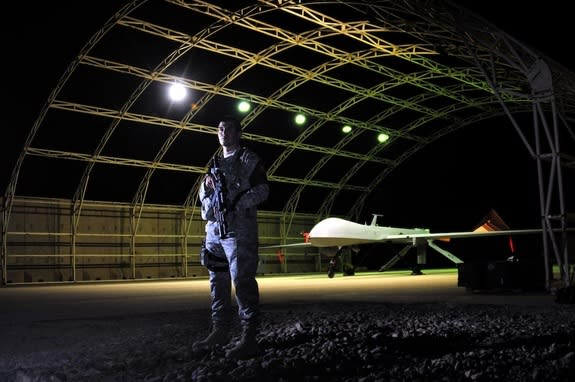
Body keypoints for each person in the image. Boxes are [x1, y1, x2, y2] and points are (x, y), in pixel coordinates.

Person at [193, 115, 269, 359]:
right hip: (215, 233)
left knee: (243, 281)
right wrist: (209, 203)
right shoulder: (214, 163)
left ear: (238, 133)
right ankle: (220, 330)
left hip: (239, 232)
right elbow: (203, 194)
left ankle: (249, 336)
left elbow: (262, 190)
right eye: (219, 128)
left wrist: (236, 204)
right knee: (218, 282)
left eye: (227, 129)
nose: (222, 132)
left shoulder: (248, 159)